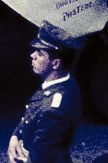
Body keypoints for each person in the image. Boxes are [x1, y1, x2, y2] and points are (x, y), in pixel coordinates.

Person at [9, 22, 83, 163]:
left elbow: (41, 156)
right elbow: (33, 114)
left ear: (55, 64)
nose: (32, 55)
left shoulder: (54, 109)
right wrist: (16, 135)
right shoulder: (63, 82)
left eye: (40, 54)